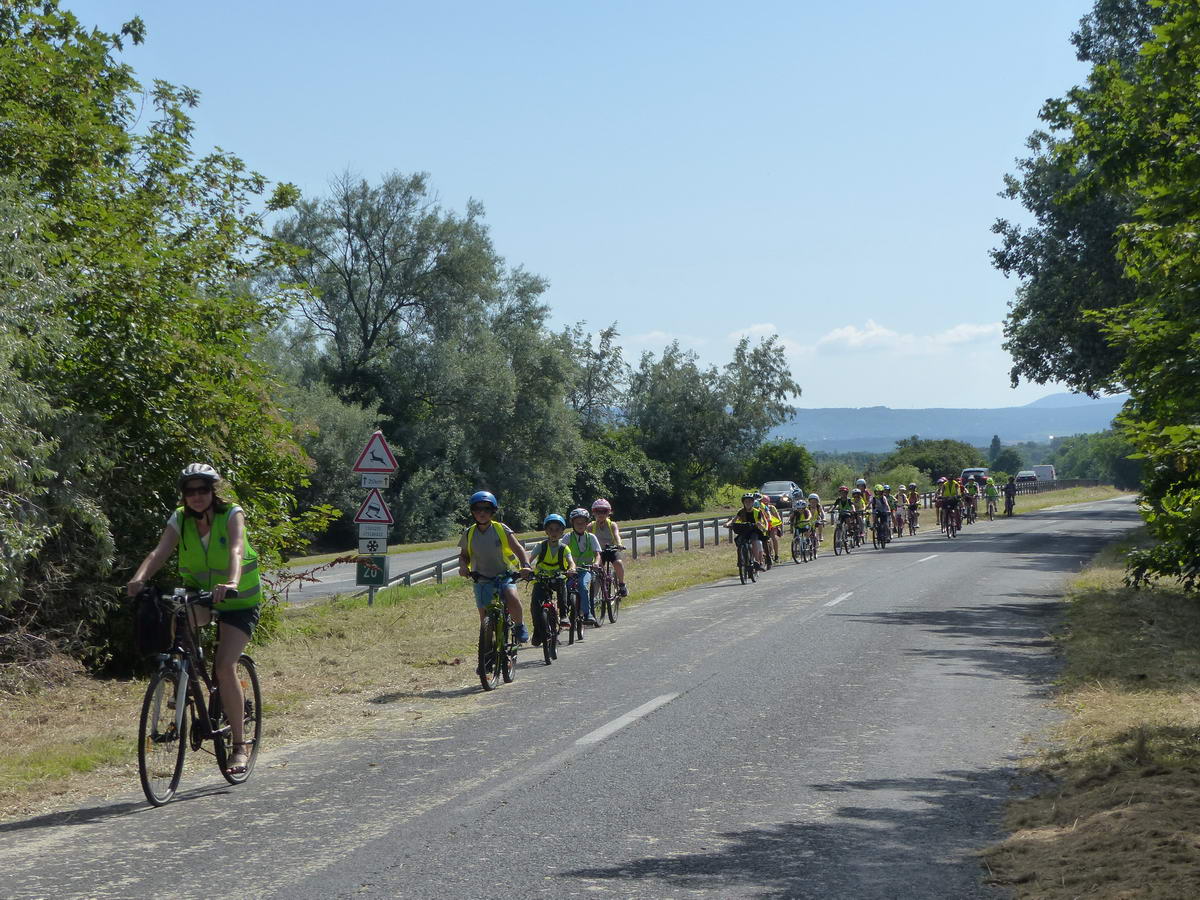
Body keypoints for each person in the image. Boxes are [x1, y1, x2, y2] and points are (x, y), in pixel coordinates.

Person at [126, 463, 262, 775]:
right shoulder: (180, 519)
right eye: (190, 491)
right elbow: (159, 552)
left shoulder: (232, 514)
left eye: (203, 490)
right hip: (200, 594)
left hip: (239, 599)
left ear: (213, 491)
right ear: (184, 495)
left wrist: (231, 582)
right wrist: (139, 579)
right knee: (176, 618)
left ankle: (239, 746)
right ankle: (182, 675)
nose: (197, 496)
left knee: (225, 665)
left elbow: (237, 550)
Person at [457, 490, 533, 644]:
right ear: (473, 512)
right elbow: (463, 555)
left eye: (486, 509)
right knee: (484, 617)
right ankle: (486, 656)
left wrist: (525, 565)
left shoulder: (501, 529)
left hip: (504, 575)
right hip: (481, 578)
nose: (482, 513)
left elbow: (518, 548)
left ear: (492, 511)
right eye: (478, 509)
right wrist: (463, 566)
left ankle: (519, 626)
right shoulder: (469, 533)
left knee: (512, 597)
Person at [529, 514, 576, 644]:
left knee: (562, 589)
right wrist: (527, 569)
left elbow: (571, 561)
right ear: (546, 531)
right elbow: (529, 560)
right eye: (551, 529)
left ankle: (563, 616)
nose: (554, 533)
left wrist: (571, 568)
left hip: (558, 577)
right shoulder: (541, 546)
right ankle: (538, 632)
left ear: (562, 532)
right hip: (541, 578)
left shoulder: (564, 548)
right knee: (535, 605)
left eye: (557, 530)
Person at [563, 508, 602, 626]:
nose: (580, 525)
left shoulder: (591, 537)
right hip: (570, 571)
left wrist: (596, 563)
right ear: (572, 524)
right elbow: (560, 551)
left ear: (587, 523)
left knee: (582, 586)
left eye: (583, 523)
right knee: (565, 588)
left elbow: (597, 554)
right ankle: (566, 613)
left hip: (586, 570)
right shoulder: (567, 537)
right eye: (577, 523)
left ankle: (587, 613)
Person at [588, 499, 627, 597]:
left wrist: (619, 544)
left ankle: (622, 585)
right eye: (598, 511)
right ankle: (594, 597)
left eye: (604, 511)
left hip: (611, 549)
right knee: (597, 570)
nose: (601, 514)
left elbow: (616, 535)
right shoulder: (590, 526)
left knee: (618, 563)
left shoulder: (612, 525)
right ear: (594, 512)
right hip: (598, 552)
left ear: (608, 512)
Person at [724, 492, 768, 568]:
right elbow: (734, 520)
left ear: (753, 502)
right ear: (743, 503)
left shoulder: (757, 512)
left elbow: (760, 522)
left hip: (754, 530)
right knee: (739, 541)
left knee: (754, 541)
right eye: (746, 502)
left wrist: (760, 525)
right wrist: (727, 524)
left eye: (750, 501)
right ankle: (741, 560)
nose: (748, 503)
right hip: (744, 530)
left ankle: (757, 562)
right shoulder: (741, 511)